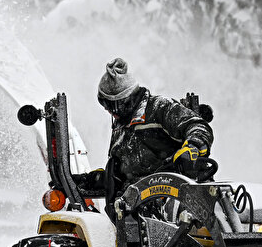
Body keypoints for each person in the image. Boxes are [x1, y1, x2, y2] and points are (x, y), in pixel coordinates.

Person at [76, 58, 213, 200]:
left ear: (123, 101)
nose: (107, 110)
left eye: (109, 105)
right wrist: (90, 181)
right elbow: (120, 178)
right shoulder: (120, 129)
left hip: (181, 197)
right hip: (142, 208)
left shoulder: (159, 108)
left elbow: (198, 127)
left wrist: (192, 148)